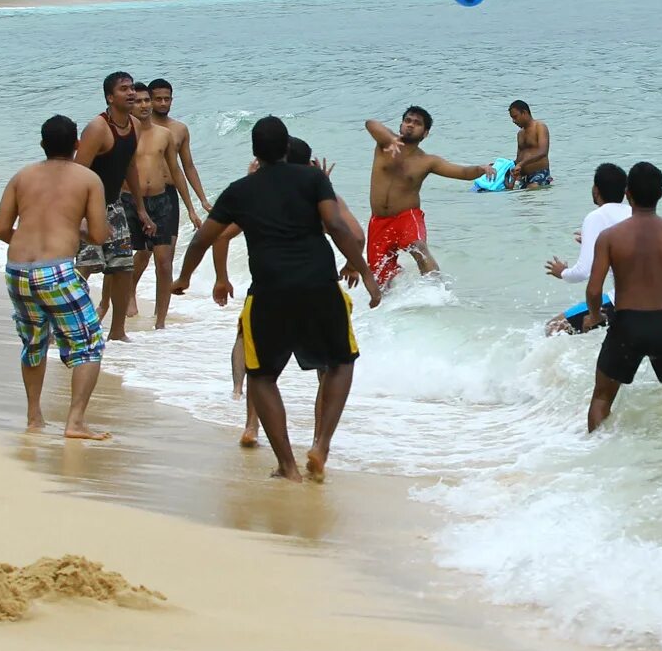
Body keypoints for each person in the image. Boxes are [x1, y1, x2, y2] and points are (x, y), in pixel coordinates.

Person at [204, 115, 380, 482]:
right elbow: (352, 232)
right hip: (319, 286)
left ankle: (260, 434)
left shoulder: (249, 191)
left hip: (269, 290)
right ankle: (320, 443)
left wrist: (208, 277)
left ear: (258, 153)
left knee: (261, 371)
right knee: (334, 366)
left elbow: (217, 236)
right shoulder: (319, 187)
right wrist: (358, 267)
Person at [0, 114, 111, 439]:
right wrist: (76, 230)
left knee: (33, 343)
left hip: (17, 269)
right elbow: (100, 235)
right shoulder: (88, 179)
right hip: (56, 270)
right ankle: (75, 422)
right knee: (88, 345)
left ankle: (34, 417)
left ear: (42, 144)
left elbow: (1, 229)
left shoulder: (22, 176)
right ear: (76, 144)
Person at [584, 161, 662, 432]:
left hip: (627, 325)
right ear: (660, 194)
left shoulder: (610, 237)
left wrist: (595, 315)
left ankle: (596, 457)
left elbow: (593, 290)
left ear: (627, 193)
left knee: (602, 397)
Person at [363, 106, 490, 286]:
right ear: (401, 125)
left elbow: (461, 171)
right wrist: (390, 138)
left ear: (425, 133)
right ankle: (391, 304)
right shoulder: (385, 143)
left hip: (406, 216)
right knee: (380, 278)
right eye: (407, 121)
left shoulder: (427, 161)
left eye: (417, 123)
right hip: (379, 221)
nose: (410, 125)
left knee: (418, 247)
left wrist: (481, 169)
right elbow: (370, 123)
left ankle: (435, 291)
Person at [75, 72, 157, 342]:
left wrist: (141, 208)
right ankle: (69, 326)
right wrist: (81, 217)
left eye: (132, 87)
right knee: (84, 267)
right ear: (110, 97)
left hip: (115, 205)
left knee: (123, 268)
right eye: (124, 89)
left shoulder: (134, 124)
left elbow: (130, 167)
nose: (131, 93)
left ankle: (117, 331)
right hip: (88, 208)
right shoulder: (98, 128)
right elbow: (77, 173)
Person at [125, 82, 197, 330]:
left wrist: (193, 205)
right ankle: (126, 296)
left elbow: (180, 169)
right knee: (137, 255)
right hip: (132, 198)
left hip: (164, 197)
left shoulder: (171, 132)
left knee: (164, 259)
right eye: (144, 100)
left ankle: (161, 319)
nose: (156, 104)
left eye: (165, 99)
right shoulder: (124, 132)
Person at [545, 162, 632, 333]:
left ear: (596, 190)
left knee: (554, 327)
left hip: (622, 303)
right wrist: (593, 243)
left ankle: (573, 360)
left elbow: (583, 272)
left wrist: (562, 272)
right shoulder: (633, 212)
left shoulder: (596, 217)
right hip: (652, 303)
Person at [146, 79, 214, 222]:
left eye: (167, 99)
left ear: (172, 99)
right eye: (158, 99)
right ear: (150, 100)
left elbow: (188, 166)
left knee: (170, 243)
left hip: (170, 192)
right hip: (146, 192)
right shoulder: (141, 127)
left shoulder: (180, 129)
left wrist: (202, 200)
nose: (163, 103)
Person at [506, 99, 552, 189]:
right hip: (523, 177)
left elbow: (543, 152)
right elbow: (518, 158)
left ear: (524, 113)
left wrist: (521, 164)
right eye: (512, 118)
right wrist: (503, 166)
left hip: (539, 173)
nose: (513, 121)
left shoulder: (540, 127)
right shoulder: (520, 134)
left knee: (531, 194)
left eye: (515, 117)